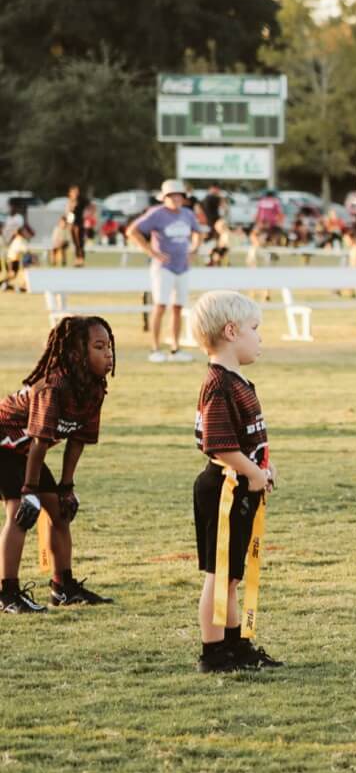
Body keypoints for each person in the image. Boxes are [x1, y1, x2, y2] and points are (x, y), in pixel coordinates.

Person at [189, 291, 281, 674]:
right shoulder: (219, 384)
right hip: (223, 489)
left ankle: (235, 646)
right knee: (219, 573)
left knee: (232, 575)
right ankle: (213, 653)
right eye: (254, 329)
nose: (260, 337)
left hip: (240, 485)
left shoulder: (237, 380)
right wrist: (253, 473)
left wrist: (264, 468)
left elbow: (246, 439)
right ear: (231, 331)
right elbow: (219, 444)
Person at [1, 316, 117, 612]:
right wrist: (29, 490)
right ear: (76, 353)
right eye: (99, 347)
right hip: (4, 445)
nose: (108, 354)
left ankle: (63, 587)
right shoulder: (53, 386)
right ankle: (7, 594)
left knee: (60, 512)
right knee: (21, 511)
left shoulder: (94, 388)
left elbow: (77, 440)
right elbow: (40, 442)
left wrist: (66, 487)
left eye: (109, 346)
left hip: (25, 450)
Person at [128, 181, 199, 362]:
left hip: (182, 267)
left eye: (178, 195)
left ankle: (175, 348)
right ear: (164, 198)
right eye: (171, 196)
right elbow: (132, 231)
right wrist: (152, 252)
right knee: (160, 306)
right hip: (163, 267)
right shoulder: (157, 213)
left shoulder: (187, 214)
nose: (175, 199)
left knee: (178, 307)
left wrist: (194, 250)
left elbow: (198, 232)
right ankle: (155, 348)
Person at [196, 186, 231, 267]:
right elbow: (224, 206)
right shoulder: (214, 198)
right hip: (215, 223)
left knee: (214, 243)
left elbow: (198, 209)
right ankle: (217, 260)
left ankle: (213, 260)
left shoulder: (204, 199)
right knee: (221, 243)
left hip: (208, 224)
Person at [2, 221, 31, 292]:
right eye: (24, 232)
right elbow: (26, 250)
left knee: (13, 275)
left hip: (14, 260)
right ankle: (3, 284)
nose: (26, 233)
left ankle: (5, 285)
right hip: (11, 260)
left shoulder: (18, 240)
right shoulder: (19, 240)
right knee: (12, 274)